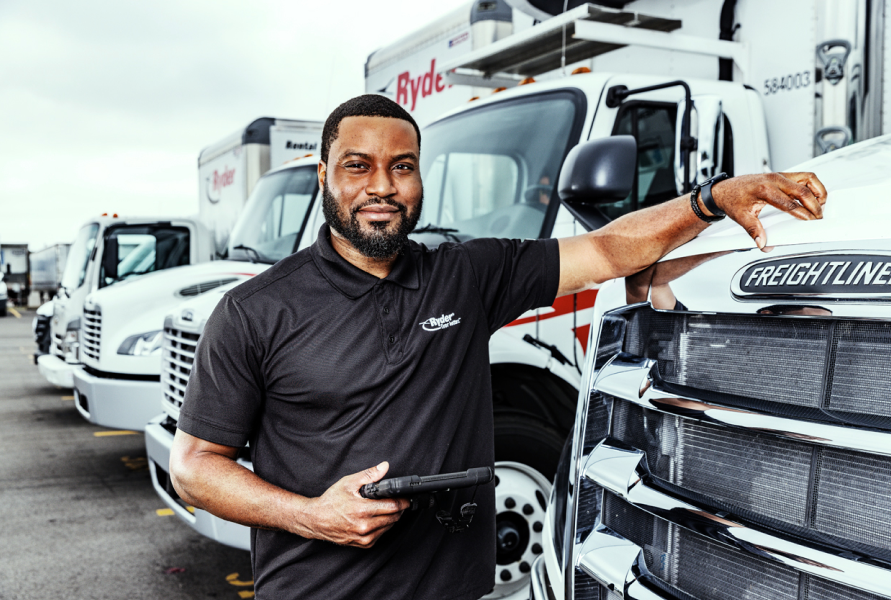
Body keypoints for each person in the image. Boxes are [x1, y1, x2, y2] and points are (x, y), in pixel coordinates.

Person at [170, 94, 827, 600]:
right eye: (357, 166)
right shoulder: (255, 310)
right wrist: (315, 517)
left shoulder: (467, 275)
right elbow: (195, 467)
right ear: (323, 176)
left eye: (401, 167)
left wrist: (712, 199)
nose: (382, 186)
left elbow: (605, 249)